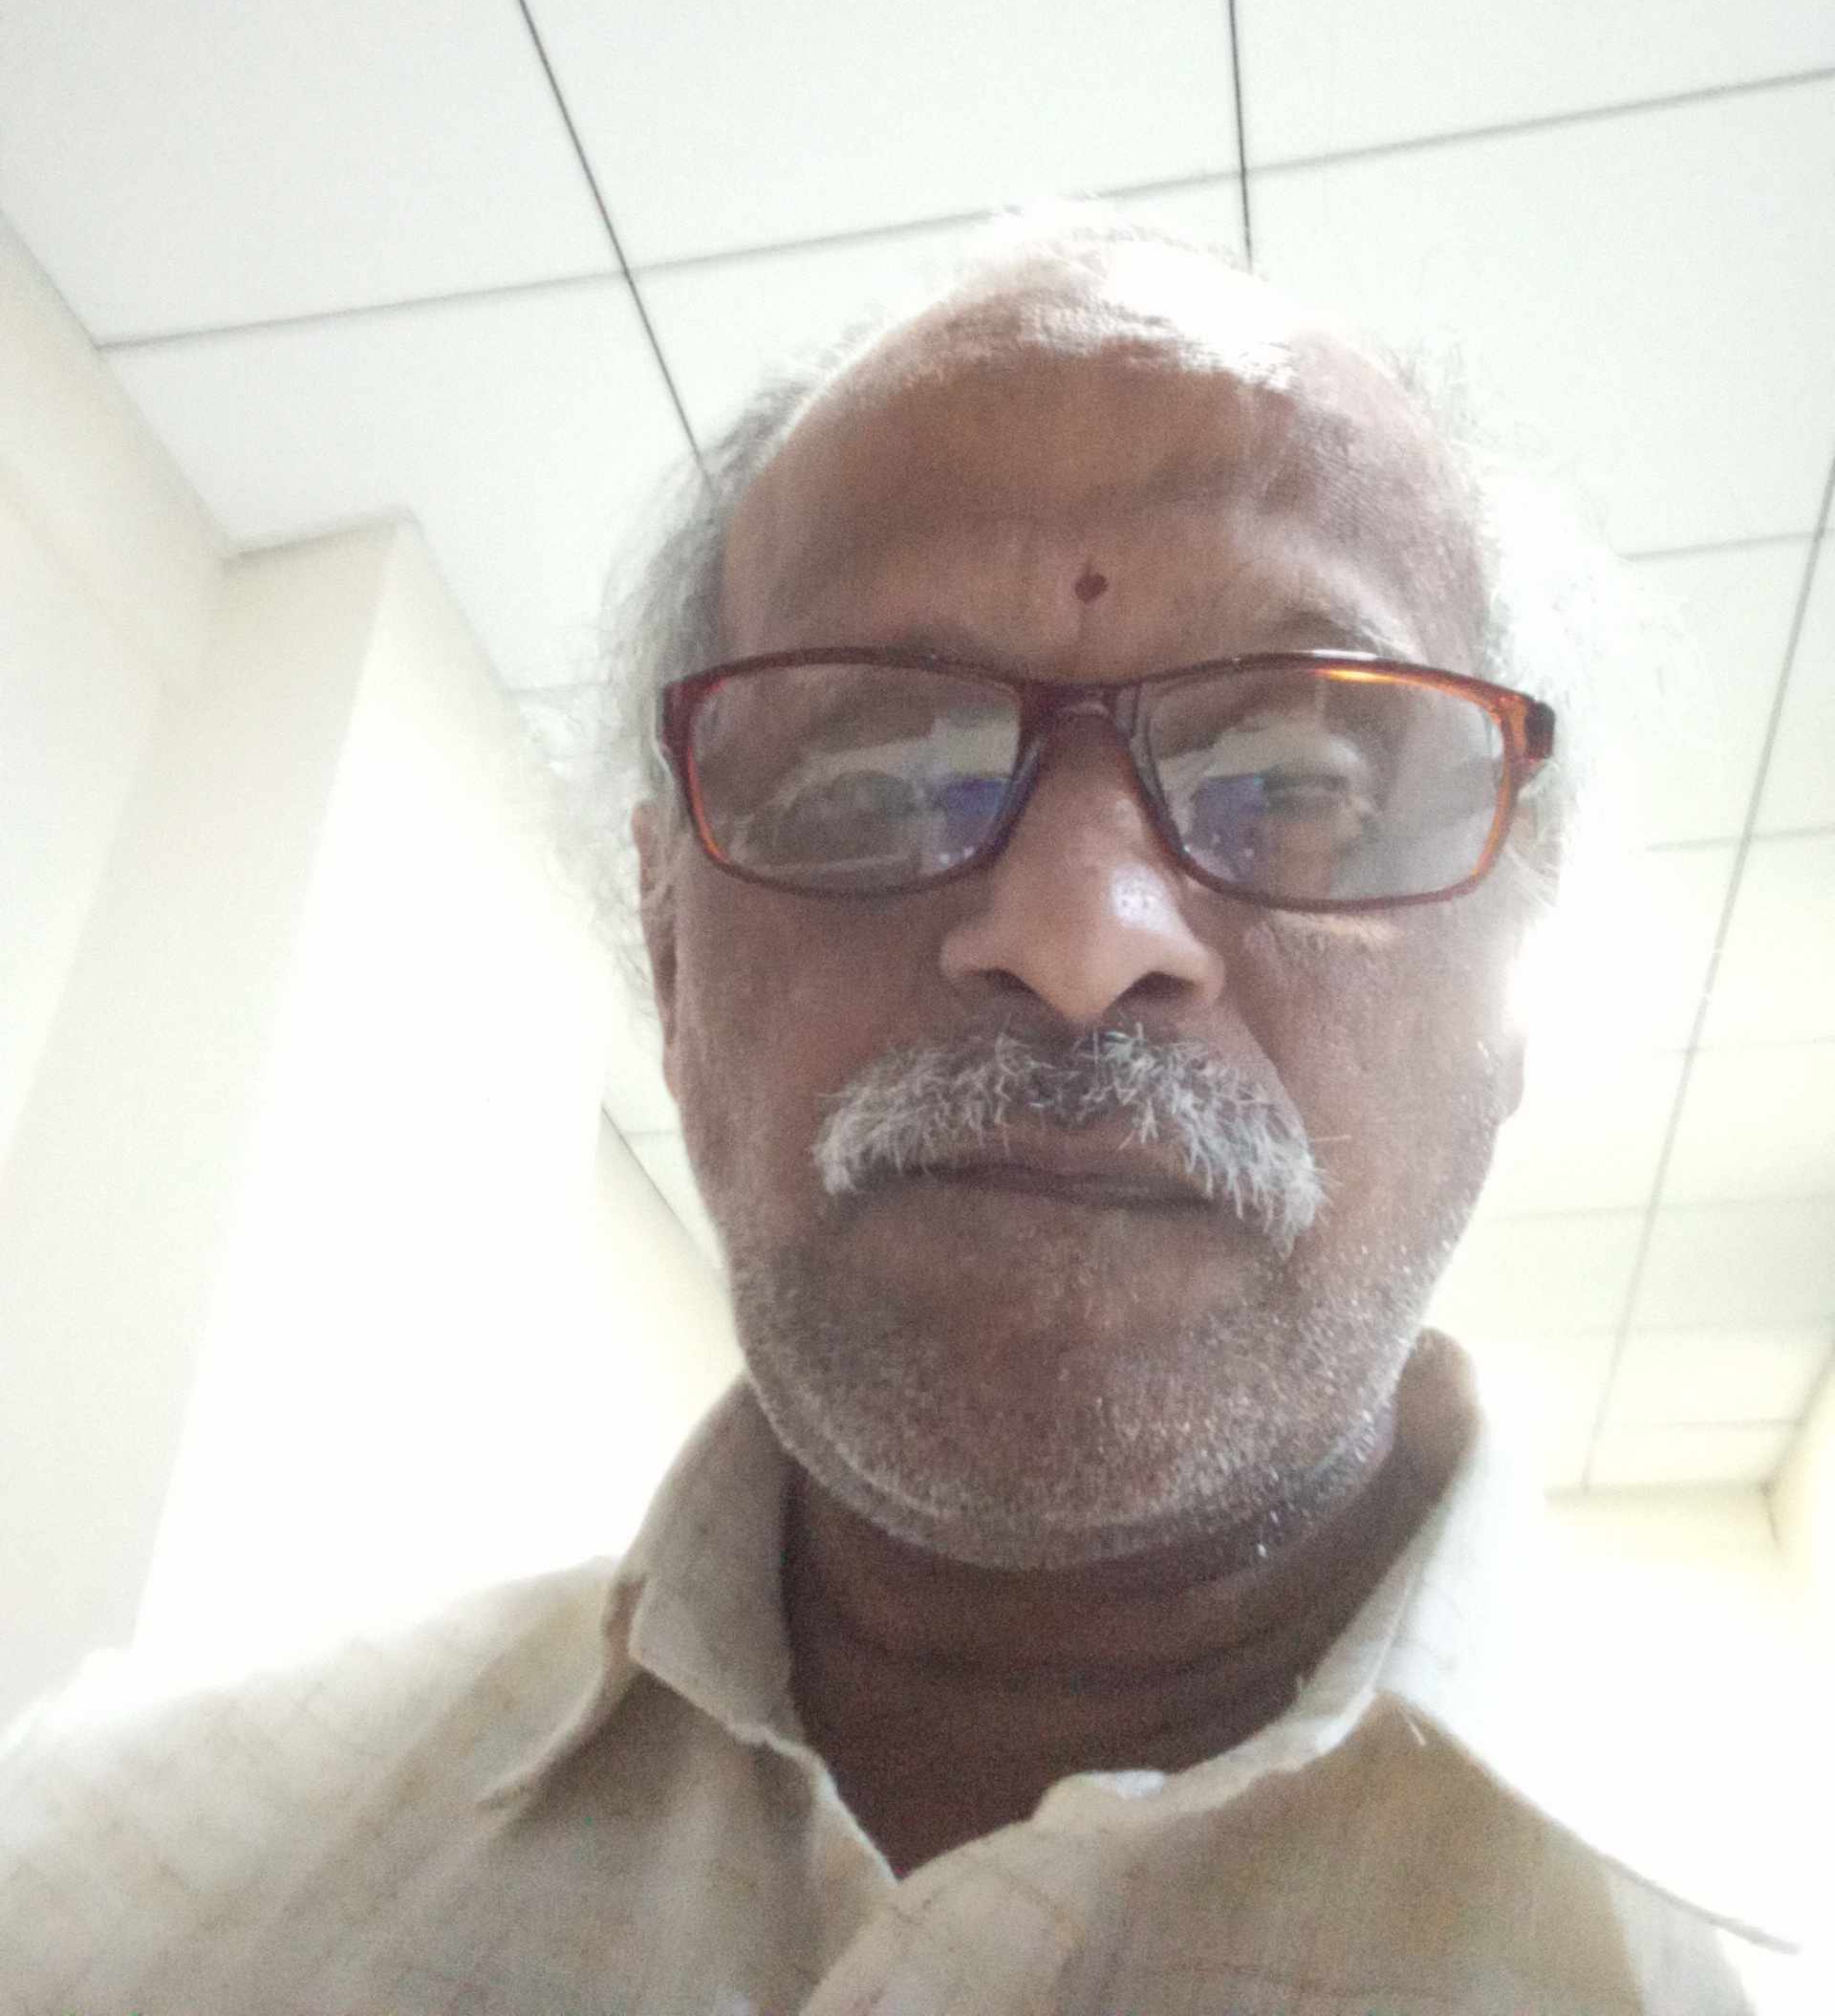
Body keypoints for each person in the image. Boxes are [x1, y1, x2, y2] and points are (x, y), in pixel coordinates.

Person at [0, 215, 1795, 2011]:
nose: (1077, 940)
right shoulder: (90, 1901)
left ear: (1516, 951)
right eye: (872, 775)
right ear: (669, 943)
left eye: (1297, 784)